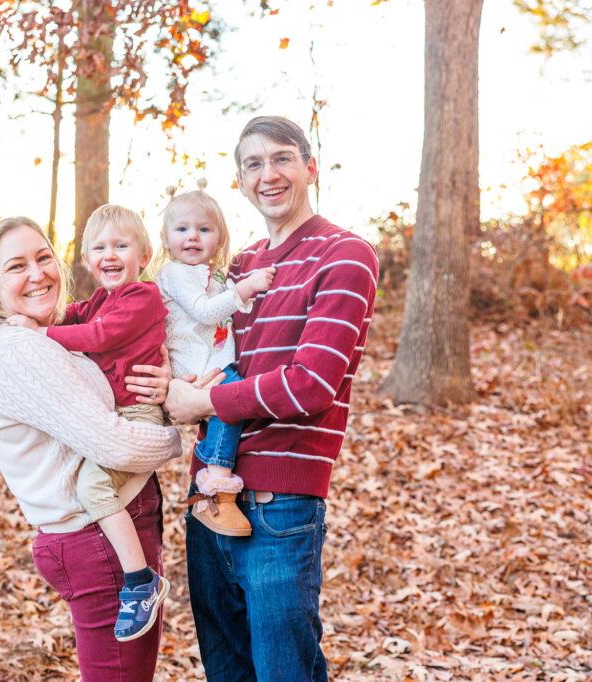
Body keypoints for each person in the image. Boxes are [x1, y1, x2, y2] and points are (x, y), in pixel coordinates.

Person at [165, 116, 379, 681]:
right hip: (208, 498)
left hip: (279, 503)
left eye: (282, 158)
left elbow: (312, 384)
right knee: (227, 671)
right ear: (240, 182)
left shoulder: (345, 255)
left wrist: (205, 403)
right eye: (253, 164)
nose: (269, 174)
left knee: (285, 673)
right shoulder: (238, 268)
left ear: (310, 168)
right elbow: (186, 343)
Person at [0, 216, 182, 681]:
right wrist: (176, 430)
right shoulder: (21, 349)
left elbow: (116, 379)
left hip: (108, 533)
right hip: (99, 544)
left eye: (43, 257)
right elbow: (114, 443)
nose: (37, 274)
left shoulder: (46, 335)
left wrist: (160, 383)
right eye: (16, 266)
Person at [7, 204, 170, 642]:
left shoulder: (141, 297)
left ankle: (140, 580)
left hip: (138, 409)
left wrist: (40, 333)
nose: (109, 254)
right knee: (92, 481)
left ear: (145, 254)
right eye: (99, 247)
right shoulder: (101, 299)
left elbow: (100, 336)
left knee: (92, 487)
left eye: (121, 245)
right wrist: (25, 319)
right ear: (86, 259)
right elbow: (74, 315)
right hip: (116, 413)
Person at [153, 181, 275, 536]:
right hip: (193, 365)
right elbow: (205, 312)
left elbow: (230, 315)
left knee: (230, 399)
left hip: (213, 361)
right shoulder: (175, 273)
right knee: (231, 396)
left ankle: (212, 479)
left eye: (204, 229)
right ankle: (218, 484)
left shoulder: (215, 273)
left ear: (218, 240)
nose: (193, 236)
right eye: (182, 229)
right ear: (166, 239)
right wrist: (247, 287)